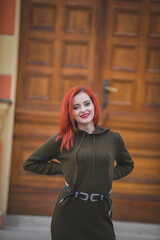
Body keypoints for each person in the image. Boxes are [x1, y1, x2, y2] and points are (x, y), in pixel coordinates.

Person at [23, 86, 134, 240]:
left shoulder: (113, 138)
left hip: (100, 213)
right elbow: (30, 163)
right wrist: (64, 169)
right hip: (69, 213)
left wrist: (107, 176)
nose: (83, 110)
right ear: (70, 113)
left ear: (94, 105)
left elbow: (127, 165)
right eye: (76, 107)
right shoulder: (63, 139)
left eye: (87, 104)